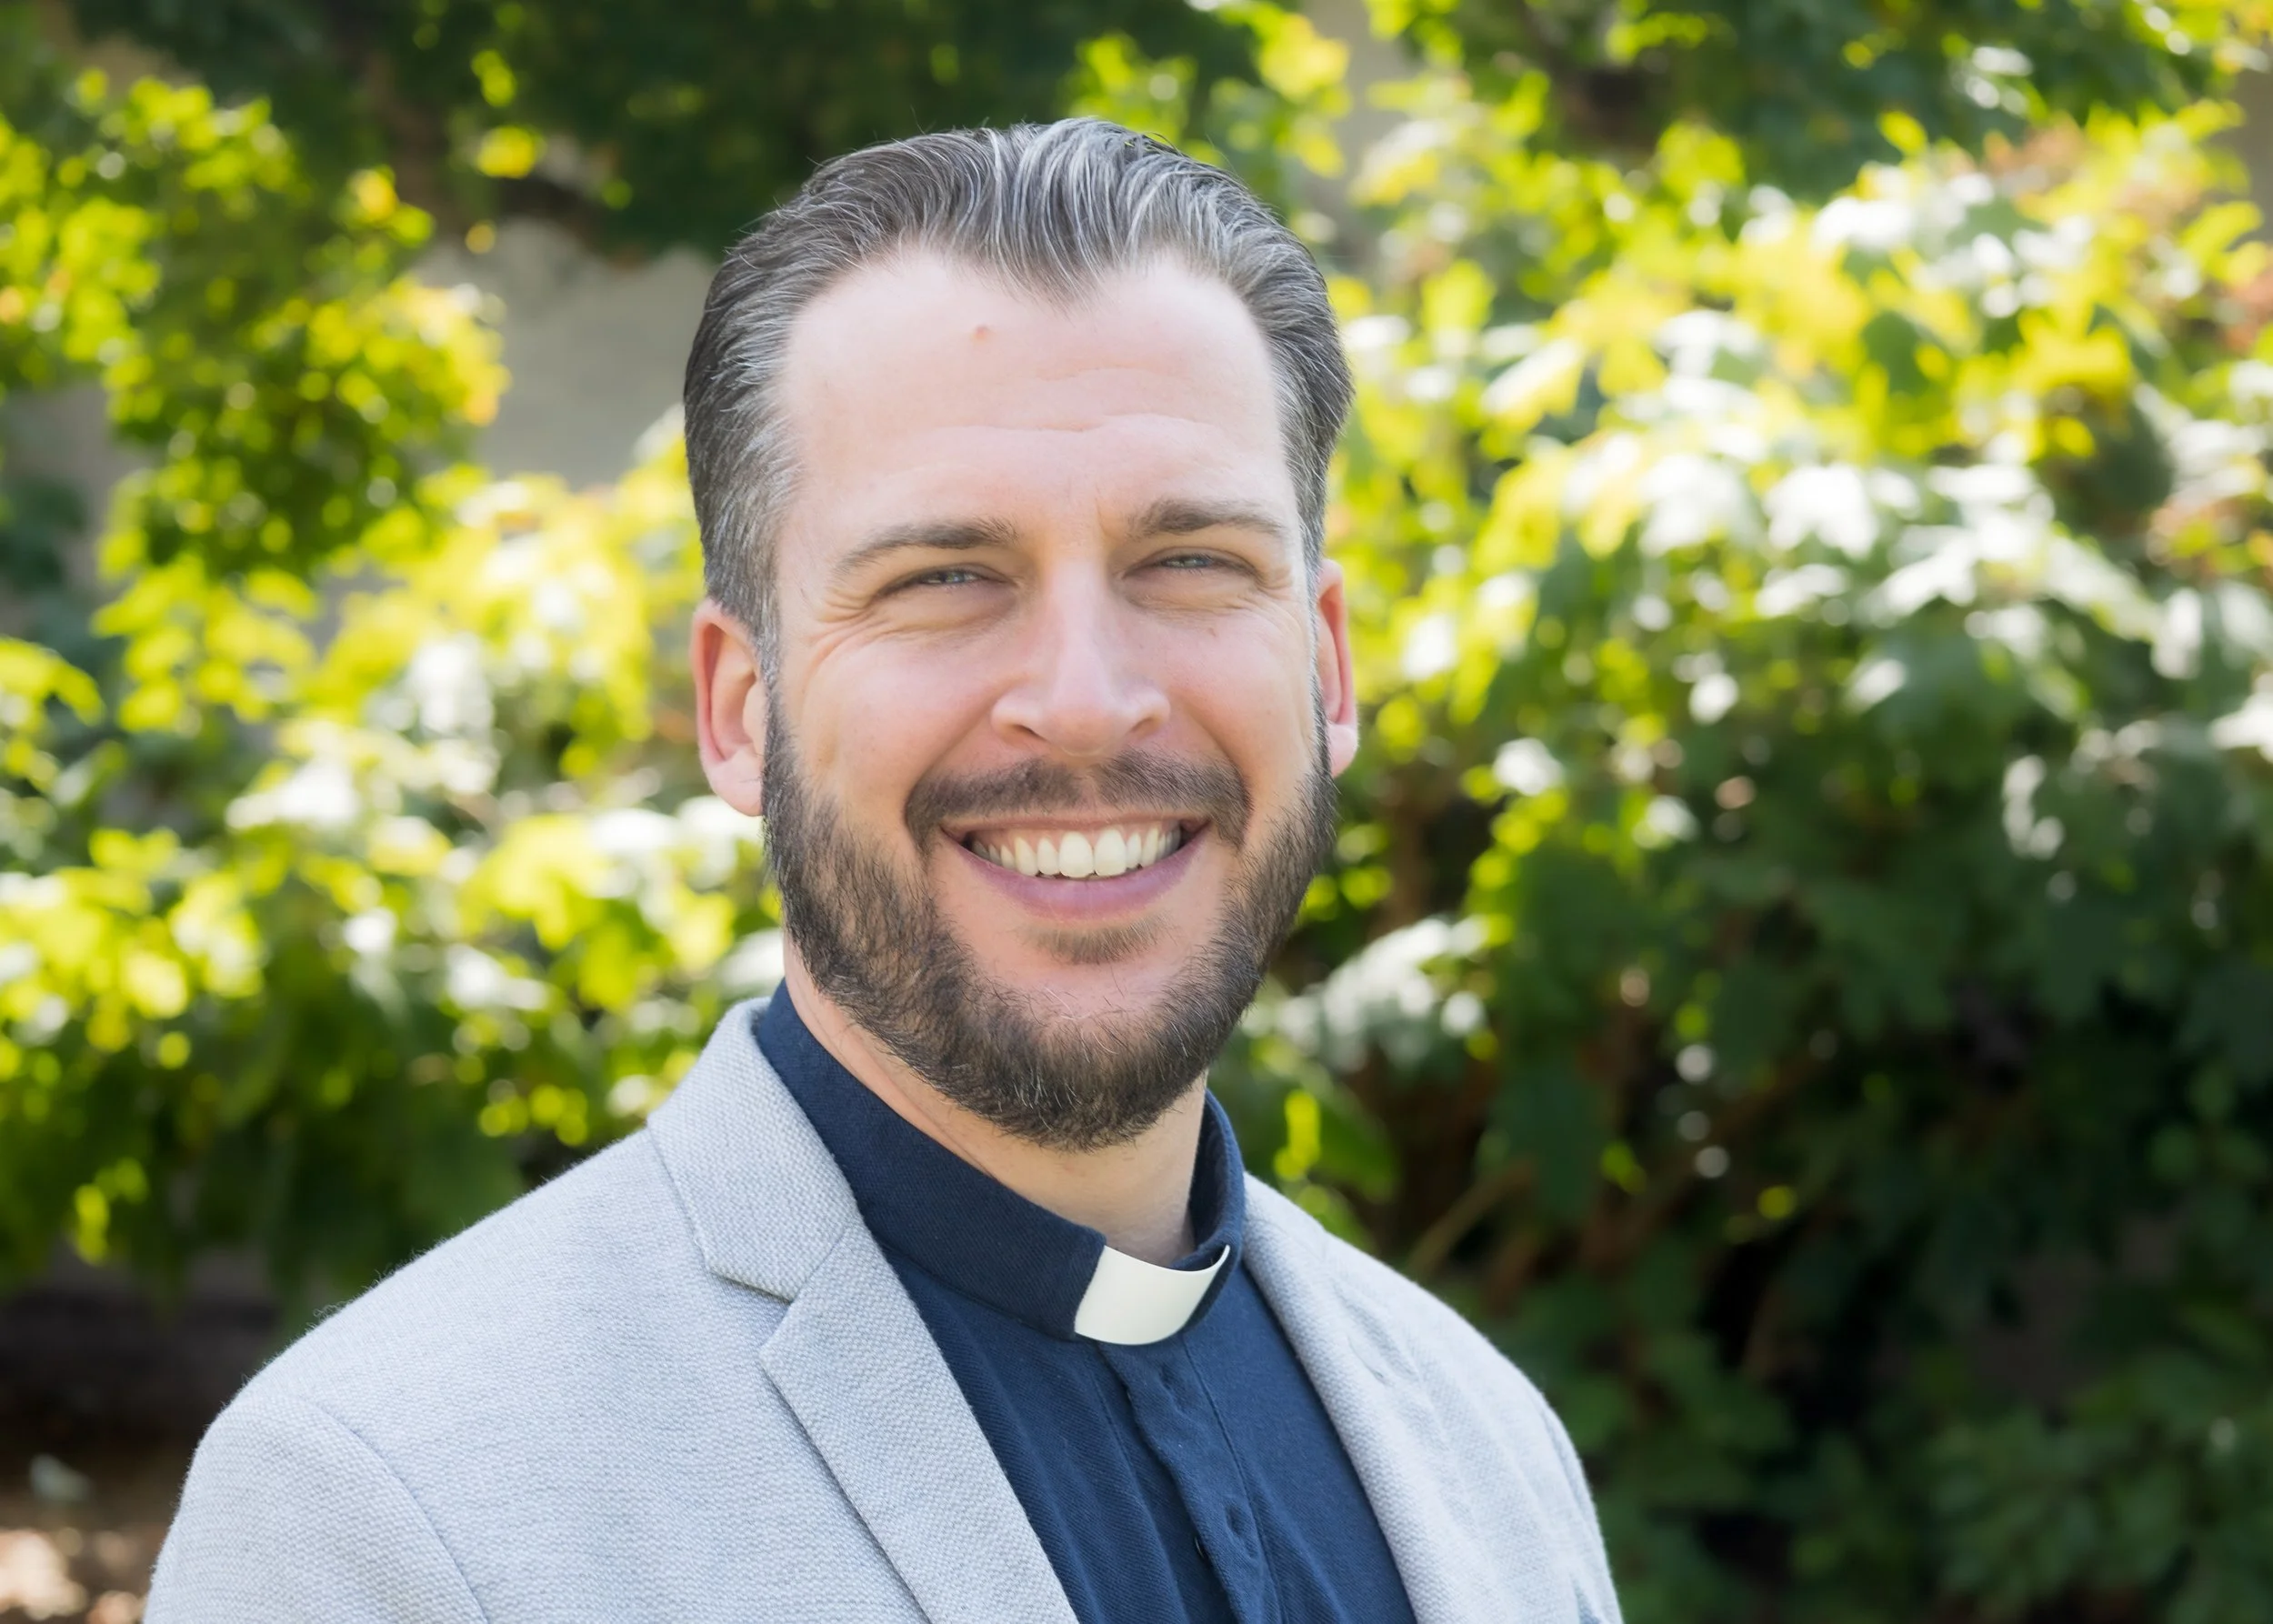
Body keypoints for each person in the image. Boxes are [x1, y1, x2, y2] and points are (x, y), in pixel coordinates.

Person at [147, 119, 1622, 1624]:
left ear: (1322, 667)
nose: (1088, 695)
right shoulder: (384, 1501)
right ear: (739, 708)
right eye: (943, 578)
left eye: (1189, 561)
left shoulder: (1484, 1439)